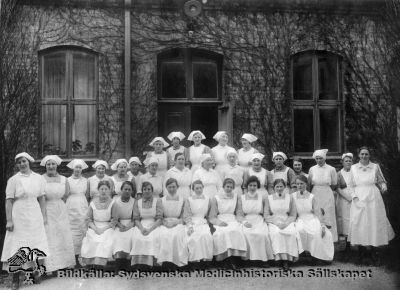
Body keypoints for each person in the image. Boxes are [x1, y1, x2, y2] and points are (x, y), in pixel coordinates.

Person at [1, 153, 49, 289]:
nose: (22, 164)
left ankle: (34, 273)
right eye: (19, 162)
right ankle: (15, 277)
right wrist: (9, 220)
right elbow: (9, 201)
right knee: (18, 244)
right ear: (17, 165)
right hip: (19, 213)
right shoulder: (13, 180)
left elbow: (42, 198)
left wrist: (43, 216)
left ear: (29, 162)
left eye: (24, 161)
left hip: (34, 213)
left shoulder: (39, 178)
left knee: (34, 242)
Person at [348, 147, 395, 264]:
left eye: (366, 154)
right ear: (358, 155)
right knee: (359, 223)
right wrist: (354, 197)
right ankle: (361, 253)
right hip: (359, 198)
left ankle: (374, 252)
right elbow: (350, 185)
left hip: (373, 197)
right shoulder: (353, 168)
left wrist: (384, 187)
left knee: (374, 222)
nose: (364, 156)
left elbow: (381, 180)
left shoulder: (375, 166)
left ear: (369, 155)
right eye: (362, 154)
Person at [41, 155, 76, 273]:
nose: (51, 166)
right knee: (50, 235)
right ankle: (50, 267)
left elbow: (66, 194)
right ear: (45, 166)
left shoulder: (64, 179)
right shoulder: (41, 179)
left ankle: (64, 264)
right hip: (47, 208)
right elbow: (40, 196)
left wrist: (59, 204)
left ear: (57, 165)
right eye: (48, 164)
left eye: (53, 164)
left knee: (62, 234)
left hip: (61, 208)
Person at [293, 175, 334, 263]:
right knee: (299, 230)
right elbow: (293, 212)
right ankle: (302, 253)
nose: (299, 186)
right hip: (301, 219)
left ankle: (317, 256)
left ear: (306, 184)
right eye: (297, 184)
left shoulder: (312, 196)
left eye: (301, 184)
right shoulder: (293, 196)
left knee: (317, 232)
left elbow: (318, 212)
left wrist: (322, 225)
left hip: (312, 219)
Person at [208, 178, 247, 269]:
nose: (229, 188)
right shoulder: (216, 198)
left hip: (232, 219)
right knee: (221, 233)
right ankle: (224, 260)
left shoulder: (236, 197)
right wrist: (219, 222)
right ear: (223, 187)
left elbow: (239, 212)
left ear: (233, 188)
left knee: (236, 231)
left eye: (231, 187)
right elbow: (212, 216)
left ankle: (233, 259)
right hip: (221, 219)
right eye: (227, 186)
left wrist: (243, 221)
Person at [264, 179, 303, 271]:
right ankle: (278, 259)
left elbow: (293, 214)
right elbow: (266, 215)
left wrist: (286, 223)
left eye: (281, 186)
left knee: (292, 233)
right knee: (277, 233)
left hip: (287, 221)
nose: (279, 188)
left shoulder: (290, 197)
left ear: (285, 187)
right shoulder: (268, 198)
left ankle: (287, 260)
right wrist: (276, 222)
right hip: (274, 221)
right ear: (274, 188)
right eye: (277, 186)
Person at [236, 176, 274, 265]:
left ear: (257, 187)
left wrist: (268, 221)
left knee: (262, 234)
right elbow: (239, 214)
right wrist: (244, 222)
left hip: (259, 220)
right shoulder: (241, 197)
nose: (252, 187)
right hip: (247, 219)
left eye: (254, 185)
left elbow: (266, 212)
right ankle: (247, 259)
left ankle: (262, 259)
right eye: (250, 185)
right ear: (247, 186)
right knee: (246, 234)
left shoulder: (263, 197)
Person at [81, 180, 115, 268]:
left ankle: (100, 265)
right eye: (101, 189)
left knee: (104, 239)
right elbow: (88, 219)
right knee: (91, 237)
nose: (103, 191)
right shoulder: (93, 203)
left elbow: (114, 220)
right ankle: (90, 263)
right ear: (98, 190)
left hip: (107, 227)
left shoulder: (113, 203)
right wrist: (95, 229)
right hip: (95, 226)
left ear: (109, 190)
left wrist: (103, 229)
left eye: (106, 189)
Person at [308, 149, 338, 242]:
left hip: (327, 192)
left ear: (324, 158)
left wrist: (326, 190)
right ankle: (317, 238)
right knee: (317, 214)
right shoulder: (312, 169)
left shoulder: (331, 169)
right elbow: (309, 183)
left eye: (320, 158)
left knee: (328, 214)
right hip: (316, 192)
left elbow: (334, 183)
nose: (319, 160)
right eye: (317, 158)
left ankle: (330, 239)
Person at [157, 178, 189, 268]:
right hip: (165, 223)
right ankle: (166, 262)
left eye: (174, 187)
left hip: (178, 222)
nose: (172, 189)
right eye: (169, 187)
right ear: (166, 188)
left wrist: (176, 222)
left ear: (177, 187)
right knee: (164, 235)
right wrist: (165, 223)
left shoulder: (183, 200)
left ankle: (177, 262)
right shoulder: (161, 200)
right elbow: (159, 216)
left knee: (177, 235)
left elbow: (184, 216)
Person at [131, 182, 163, 268]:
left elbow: (159, 219)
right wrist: (141, 229)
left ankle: (151, 264)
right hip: (141, 224)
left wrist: (150, 230)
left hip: (154, 224)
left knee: (153, 237)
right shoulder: (138, 202)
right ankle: (139, 264)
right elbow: (136, 219)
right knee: (137, 237)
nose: (147, 191)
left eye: (149, 189)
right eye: (145, 189)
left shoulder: (157, 201)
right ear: (142, 191)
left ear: (152, 191)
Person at [183, 180, 213, 266]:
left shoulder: (207, 199)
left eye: (200, 188)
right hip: (192, 222)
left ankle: (205, 262)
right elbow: (187, 215)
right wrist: (189, 226)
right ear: (193, 189)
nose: (199, 190)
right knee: (193, 237)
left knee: (206, 236)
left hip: (203, 222)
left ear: (203, 188)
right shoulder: (189, 200)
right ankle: (195, 262)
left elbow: (209, 214)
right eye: (196, 188)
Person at [66, 159, 89, 267]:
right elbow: (65, 194)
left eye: (80, 167)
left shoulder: (86, 180)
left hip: (82, 204)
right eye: (76, 167)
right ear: (73, 168)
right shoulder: (68, 180)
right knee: (72, 231)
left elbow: (87, 194)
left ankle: (81, 257)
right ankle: (73, 259)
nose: (78, 169)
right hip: (71, 205)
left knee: (82, 229)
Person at [111, 181, 135, 271]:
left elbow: (135, 218)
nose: (127, 191)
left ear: (132, 191)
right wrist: (120, 225)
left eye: (129, 189)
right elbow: (114, 217)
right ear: (121, 190)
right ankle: (119, 267)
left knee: (131, 237)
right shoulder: (115, 202)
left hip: (131, 224)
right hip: (119, 224)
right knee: (117, 238)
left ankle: (128, 266)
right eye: (125, 189)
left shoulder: (134, 202)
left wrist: (129, 226)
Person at [336, 153, 354, 253]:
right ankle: (346, 245)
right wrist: (347, 197)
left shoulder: (355, 172)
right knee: (344, 219)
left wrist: (353, 196)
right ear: (342, 162)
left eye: (350, 161)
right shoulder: (339, 173)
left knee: (353, 219)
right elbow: (337, 188)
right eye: (346, 161)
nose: (348, 162)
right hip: (343, 198)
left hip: (354, 197)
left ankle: (354, 242)